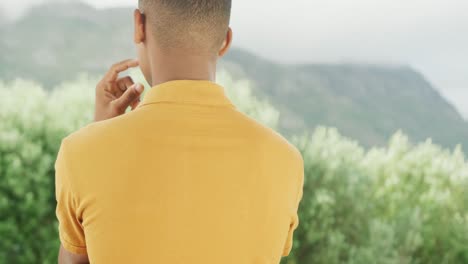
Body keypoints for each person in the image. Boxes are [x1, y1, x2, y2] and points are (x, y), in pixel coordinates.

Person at [55, 0, 304, 263]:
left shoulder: (80, 153)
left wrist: (98, 135)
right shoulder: (285, 161)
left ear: (139, 25)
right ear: (225, 41)